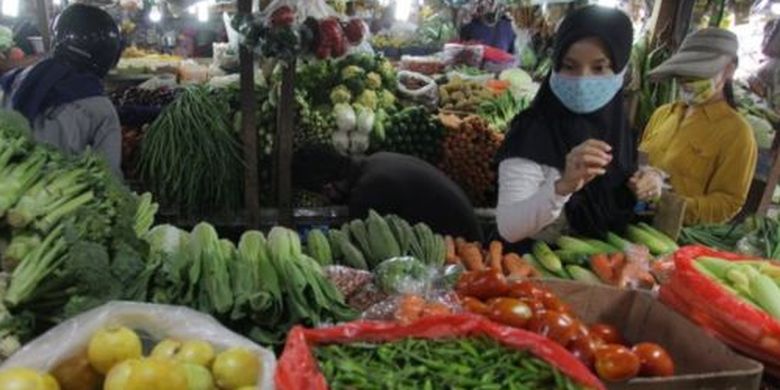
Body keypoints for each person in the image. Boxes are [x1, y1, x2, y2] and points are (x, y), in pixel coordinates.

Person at [495, 6, 654, 245]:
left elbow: (620, 198)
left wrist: (648, 184)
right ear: (556, 65)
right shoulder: (532, 132)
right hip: (534, 268)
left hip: (604, 265)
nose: (583, 79)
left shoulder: (621, 130)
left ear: (620, 70)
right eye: (570, 66)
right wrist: (563, 186)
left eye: (599, 68)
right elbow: (509, 227)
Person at [640, 28, 757, 225]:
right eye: (684, 74)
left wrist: (670, 204)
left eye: (697, 74)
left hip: (677, 240)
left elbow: (728, 203)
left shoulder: (738, 133)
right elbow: (641, 163)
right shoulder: (663, 114)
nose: (687, 82)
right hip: (632, 221)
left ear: (729, 70)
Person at [1, 4, 124, 178]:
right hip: (57, 200)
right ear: (109, 55)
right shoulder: (101, 109)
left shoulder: (12, 80)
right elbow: (110, 176)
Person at [293, 146, 484, 242]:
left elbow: (366, 248)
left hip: (462, 248)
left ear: (328, 186)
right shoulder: (376, 160)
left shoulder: (369, 190)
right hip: (464, 231)